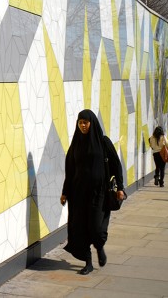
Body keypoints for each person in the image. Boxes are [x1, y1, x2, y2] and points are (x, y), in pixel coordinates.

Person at [60, 109, 124, 275]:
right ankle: (88, 262)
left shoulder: (103, 142)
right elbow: (70, 170)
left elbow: (116, 165)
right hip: (79, 194)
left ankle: (100, 247)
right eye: (80, 122)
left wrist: (121, 188)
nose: (82, 125)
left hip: (99, 194)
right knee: (81, 228)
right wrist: (65, 192)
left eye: (85, 122)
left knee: (96, 228)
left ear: (92, 123)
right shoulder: (75, 144)